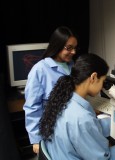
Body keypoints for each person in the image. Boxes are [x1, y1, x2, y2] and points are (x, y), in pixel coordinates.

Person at [39, 53, 115, 160]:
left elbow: (91, 128)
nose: (102, 87)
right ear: (93, 77)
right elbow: (104, 158)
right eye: (102, 81)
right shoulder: (81, 118)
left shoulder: (63, 99)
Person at [23, 26, 78, 154]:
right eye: (69, 48)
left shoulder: (72, 65)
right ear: (57, 46)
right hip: (51, 132)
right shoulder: (40, 70)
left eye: (75, 48)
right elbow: (32, 107)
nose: (73, 52)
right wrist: (36, 140)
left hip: (70, 128)